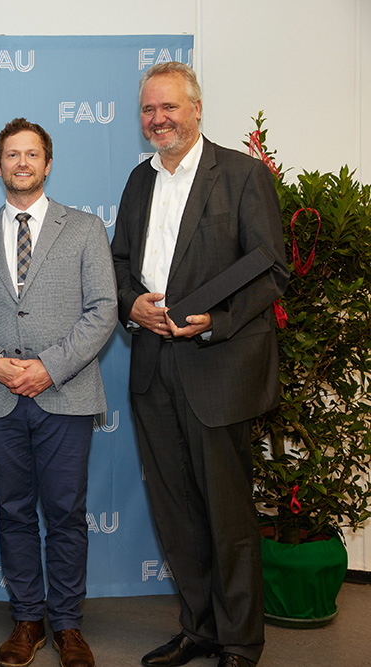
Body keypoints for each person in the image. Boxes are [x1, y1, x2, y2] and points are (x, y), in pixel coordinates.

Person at [111, 62, 289, 667]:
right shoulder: (138, 182)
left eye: (169, 108)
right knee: (176, 511)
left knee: (227, 513)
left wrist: (218, 321)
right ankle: (200, 627)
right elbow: (118, 264)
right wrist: (130, 302)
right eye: (148, 110)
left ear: (197, 108)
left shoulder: (241, 176)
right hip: (153, 366)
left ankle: (241, 641)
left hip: (217, 368)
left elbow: (270, 268)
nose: (158, 119)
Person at [0, 118, 116, 667]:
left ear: (48, 164)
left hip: (65, 395)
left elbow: (104, 312)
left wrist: (48, 368)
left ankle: (69, 625)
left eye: (31, 155)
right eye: (11, 155)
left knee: (67, 514)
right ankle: (27, 618)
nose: (21, 163)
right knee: (14, 512)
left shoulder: (86, 228)